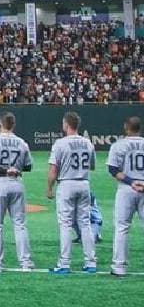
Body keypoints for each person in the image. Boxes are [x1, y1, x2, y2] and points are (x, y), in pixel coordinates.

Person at [0, 112, 34, 273]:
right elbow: (28, 166)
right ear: (13, 125)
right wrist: (14, 168)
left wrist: (4, 169)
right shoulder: (21, 142)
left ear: (0, 124)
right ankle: (25, 263)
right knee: (20, 224)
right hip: (17, 183)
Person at [47, 112, 97, 274]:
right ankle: (90, 262)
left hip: (66, 184)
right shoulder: (87, 143)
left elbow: (53, 169)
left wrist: (49, 187)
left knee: (65, 224)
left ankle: (64, 263)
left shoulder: (60, 144)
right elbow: (92, 166)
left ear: (67, 125)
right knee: (85, 223)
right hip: (84, 183)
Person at [107, 116, 144, 278]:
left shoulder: (118, 145)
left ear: (126, 127)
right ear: (139, 128)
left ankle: (119, 267)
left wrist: (131, 182)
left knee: (122, 227)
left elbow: (113, 170)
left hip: (126, 188)